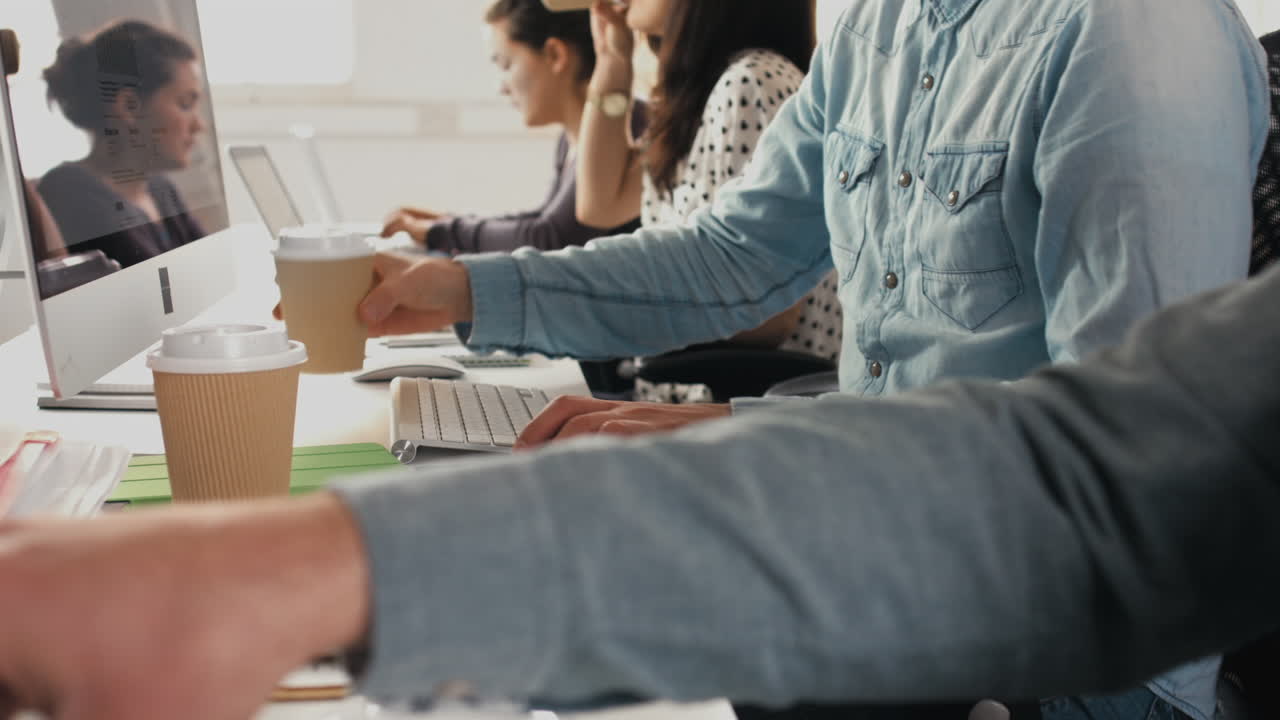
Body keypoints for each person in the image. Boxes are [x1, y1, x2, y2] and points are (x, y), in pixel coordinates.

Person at [351, 1, 1269, 718]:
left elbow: (1119, 484)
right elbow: (735, 255)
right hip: (890, 561)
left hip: (1069, 660)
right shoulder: (877, 25)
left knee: (573, 619)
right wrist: (465, 289)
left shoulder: (1134, 34)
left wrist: (744, 440)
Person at [1, 263, 1279, 720]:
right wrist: (298, 567)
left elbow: (1099, 507)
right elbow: (1097, 485)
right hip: (890, 528)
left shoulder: (1129, 37)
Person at [576, 0, 843, 402]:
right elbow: (600, 203)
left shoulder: (753, 82)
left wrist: (611, 309)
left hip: (734, 410)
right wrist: (613, 65)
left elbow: (768, 314)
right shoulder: (704, 94)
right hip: (681, 400)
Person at [379, 0, 639, 256]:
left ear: (555, 55)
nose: (500, 87)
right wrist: (446, 222)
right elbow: (542, 217)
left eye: (506, 65)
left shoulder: (628, 127)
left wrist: (440, 231)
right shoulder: (568, 140)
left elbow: (551, 236)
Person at [35, 20, 207, 273]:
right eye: (184, 104)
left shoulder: (160, 188)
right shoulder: (70, 193)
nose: (199, 125)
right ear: (129, 107)